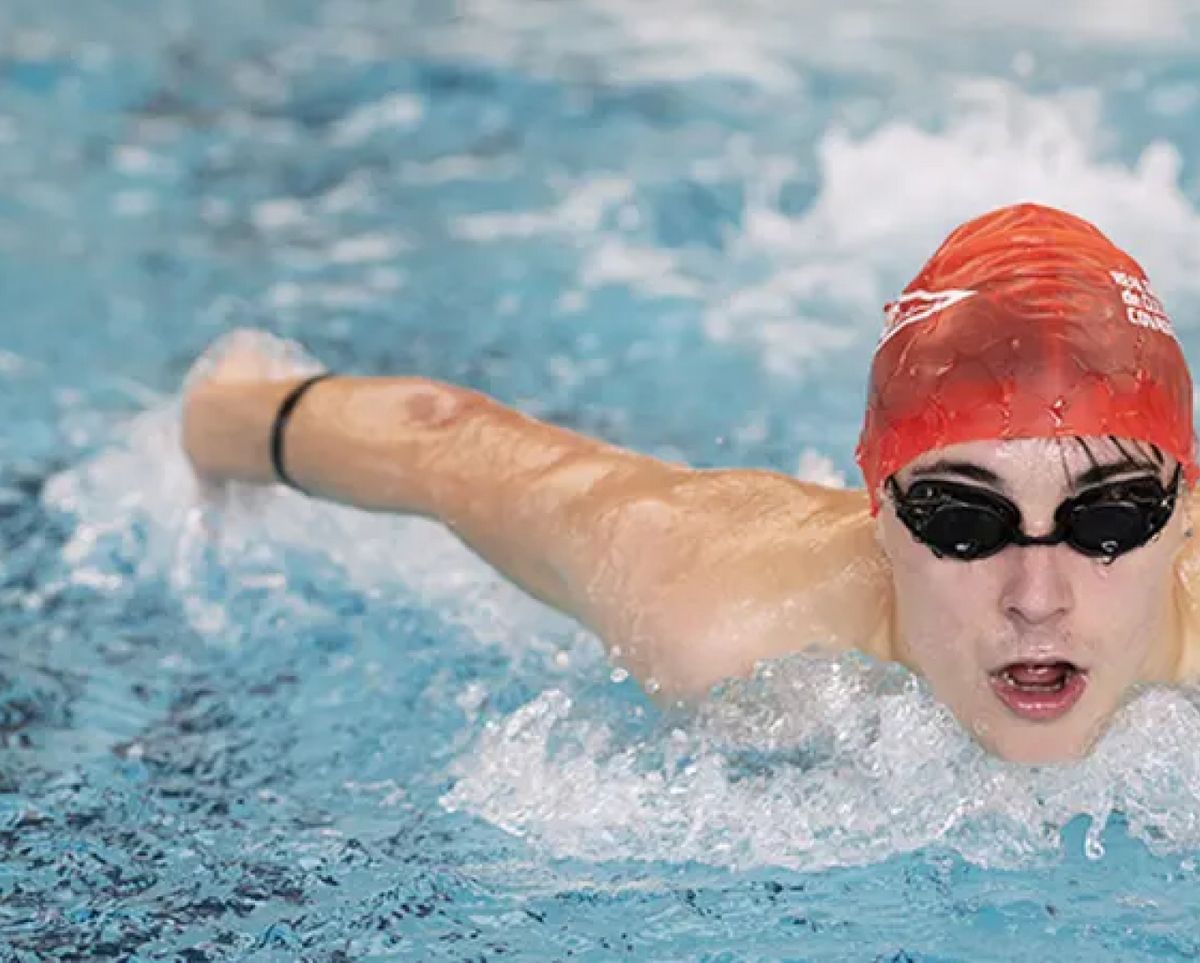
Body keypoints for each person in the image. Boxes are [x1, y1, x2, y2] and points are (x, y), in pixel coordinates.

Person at [181, 202, 1200, 764]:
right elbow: (441, 442)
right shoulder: (719, 609)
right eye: (963, 519)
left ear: (1185, 514)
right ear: (878, 513)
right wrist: (216, 421)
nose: (1036, 595)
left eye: (1108, 518)